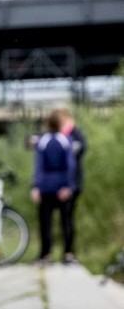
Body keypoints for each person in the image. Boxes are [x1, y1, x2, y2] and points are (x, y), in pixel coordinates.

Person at [31, 109, 77, 266]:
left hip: (48, 187)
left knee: (48, 223)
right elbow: (70, 165)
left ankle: (49, 254)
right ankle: (65, 253)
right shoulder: (65, 140)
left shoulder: (43, 141)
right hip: (57, 187)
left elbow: (38, 166)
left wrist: (36, 186)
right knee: (64, 222)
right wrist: (68, 186)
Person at [57, 108, 86, 264]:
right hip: (58, 184)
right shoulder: (57, 135)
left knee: (67, 218)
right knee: (62, 219)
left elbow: (80, 150)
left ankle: (68, 253)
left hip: (72, 184)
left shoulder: (76, 134)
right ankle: (60, 252)